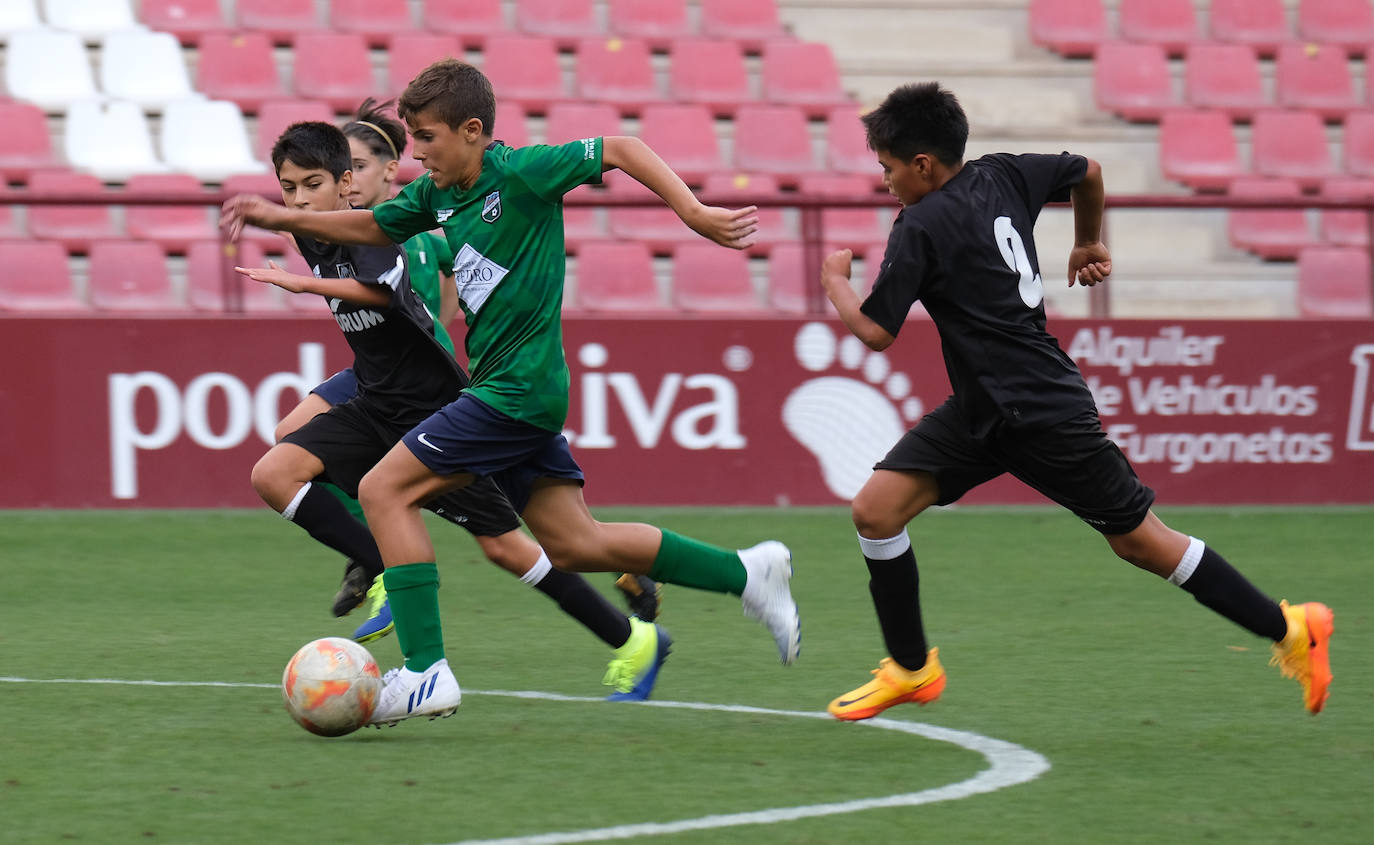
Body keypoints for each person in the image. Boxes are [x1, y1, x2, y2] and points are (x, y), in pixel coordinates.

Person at [222, 60, 801, 728]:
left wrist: (693, 211)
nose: (416, 153)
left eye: (427, 138)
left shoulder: (524, 172)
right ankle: (748, 573)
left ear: (472, 131)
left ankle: (427, 669)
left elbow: (621, 148)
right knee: (577, 543)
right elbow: (377, 227)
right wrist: (277, 217)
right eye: (408, 138)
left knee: (385, 489)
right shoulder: (438, 197)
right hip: (512, 391)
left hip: (515, 390)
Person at [817, 82, 1334, 721]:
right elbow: (1088, 171)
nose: (885, 181)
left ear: (922, 165)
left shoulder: (919, 224)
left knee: (1143, 543)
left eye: (888, 168)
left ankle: (1292, 628)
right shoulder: (1002, 174)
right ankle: (912, 669)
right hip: (983, 408)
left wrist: (836, 284)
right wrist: (1087, 240)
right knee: (876, 511)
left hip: (1038, 413)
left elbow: (874, 331)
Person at [240, 119, 671, 704]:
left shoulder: (386, 231)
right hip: (375, 399)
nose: (296, 200)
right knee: (275, 469)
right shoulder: (314, 232)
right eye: (288, 189)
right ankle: (382, 564)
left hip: (430, 409)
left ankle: (632, 636)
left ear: (350, 181)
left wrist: (301, 285)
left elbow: (388, 298)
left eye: (309, 185)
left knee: (509, 546)